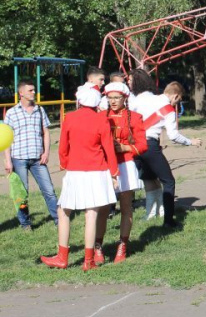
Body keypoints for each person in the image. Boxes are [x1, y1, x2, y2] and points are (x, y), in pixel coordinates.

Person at [40, 86, 119, 271]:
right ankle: (89, 260)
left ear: (79, 101)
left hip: (75, 170)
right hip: (98, 171)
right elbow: (109, 149)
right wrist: (114, 172)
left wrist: (64, 163)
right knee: (91, 214)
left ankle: (62, 256)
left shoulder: (70, 118)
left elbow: (63, 146)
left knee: (63, 211)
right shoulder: (102, 120)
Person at [131, 76, 202, 227]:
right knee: (168, 181)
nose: (176, 104)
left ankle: (152, 213)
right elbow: (173, 136)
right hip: (150, 145)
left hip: (135, 146)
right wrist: (191, 142)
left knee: (149, 179)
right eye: (178, 100)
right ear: (175, 95)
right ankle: (168, 220)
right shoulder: (168, 110)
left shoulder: (147, 98)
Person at [93, 82, 147, 265]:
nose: (113, 101)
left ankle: (122, 245)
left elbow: (142, 145)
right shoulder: (100, 116)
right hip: (105, 165)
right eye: (110, 97)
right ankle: (98, 246)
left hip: (125, 164)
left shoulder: (136, 117)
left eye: (117, 97)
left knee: (126, 207)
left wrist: (124, 147)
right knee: (103, 208)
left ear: (125, 98)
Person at [2, 79, 59, 230]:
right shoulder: (12, 113)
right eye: (30, 90)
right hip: (18, 158)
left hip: (38, 159)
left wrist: (46, 152)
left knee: (49, 191)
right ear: (21, 93)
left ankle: (59, 220)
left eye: (34, 90)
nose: (34, 93)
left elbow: (46, 132)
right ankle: (25, 224)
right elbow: (6, 138)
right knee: (22, 194)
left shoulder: (39, 110)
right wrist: (8, 161)